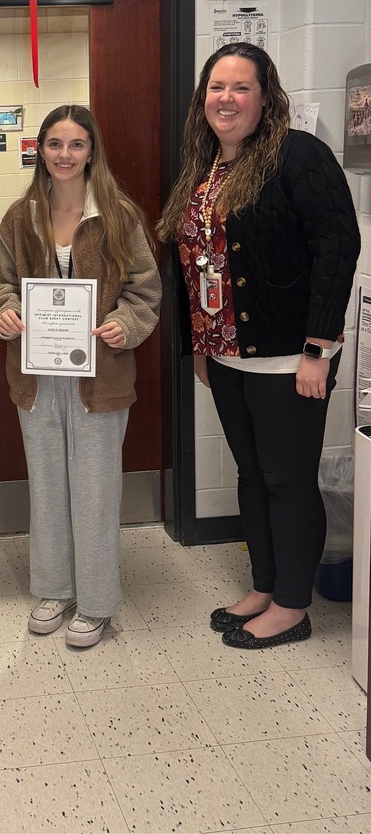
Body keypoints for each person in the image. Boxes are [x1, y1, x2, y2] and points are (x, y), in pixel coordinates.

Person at [157, 42, 360, 650]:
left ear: (265, 97)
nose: (226, 98)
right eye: (216, 87)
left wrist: (319, 348)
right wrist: (198, 343)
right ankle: (265, 586)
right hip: (224, 353)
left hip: (289, 355)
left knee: (287, 477)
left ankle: (293, 606)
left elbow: (337, 246)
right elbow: (196, 264)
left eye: (240, 87)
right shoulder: (207, 166)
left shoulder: (299, 156)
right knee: (252, 472)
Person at [0, 105, 161, 648]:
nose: (65, 155)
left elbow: (145, 290)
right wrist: (6, 312)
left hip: (101, 375)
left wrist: (122, 323)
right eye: (55, 144)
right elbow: (2, 286)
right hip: (36, 378)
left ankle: (96, 603)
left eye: (76, 145)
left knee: (94, 491)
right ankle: (55, 589)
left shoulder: (119, 216)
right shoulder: (20, 217)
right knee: (46, 487)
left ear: (92, 152)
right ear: (40, 150)